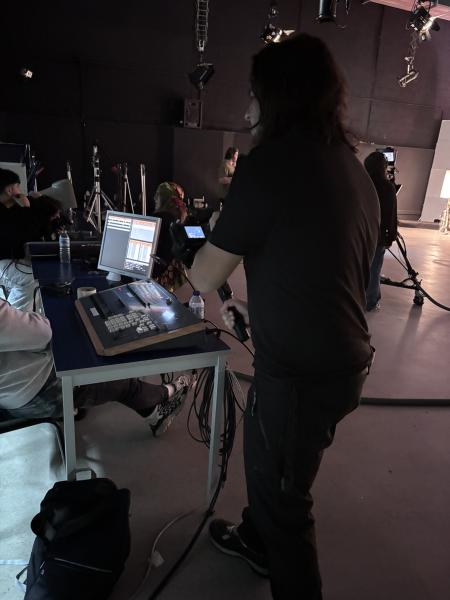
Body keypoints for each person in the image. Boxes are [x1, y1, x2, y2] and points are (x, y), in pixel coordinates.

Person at [188, 34, 380, 599]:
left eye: (254, 95)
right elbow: (323, 268)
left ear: (277, 97)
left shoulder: (269, 165)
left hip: (299, 375)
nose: (248, 108)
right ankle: (256, 538)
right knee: (280, 468)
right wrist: (261, 307)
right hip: (345, 363)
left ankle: (274, 545)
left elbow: (203, 277)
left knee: (284, 503)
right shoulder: (352, 168)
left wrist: (221, 234)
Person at [0, 298, 196, 437]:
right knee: (115, 374)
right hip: (37, 391)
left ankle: (150, 408)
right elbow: (43, 333)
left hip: (12, 395)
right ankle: (165, 397)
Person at [0, 168, 62, 311]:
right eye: (18, 186)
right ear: (10, 190)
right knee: (31, 280)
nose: (20, 190)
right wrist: (26, 208)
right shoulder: (7, 214)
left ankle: (35, 315)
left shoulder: (10, 209)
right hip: (3, 263)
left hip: (10, 259)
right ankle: (14, 317)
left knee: (43, 272)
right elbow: (25, 235)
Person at [363, 152, 398, 311]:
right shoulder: (387, 187)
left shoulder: (361, 183)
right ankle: (370, 301)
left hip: (359, 232)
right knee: (374, 269)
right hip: (377, 236)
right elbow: (391, 214)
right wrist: (391, 236)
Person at [152, 181, 188, 292]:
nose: (155, 198)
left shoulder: (156, 219)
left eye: (158, 195)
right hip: (169, 280)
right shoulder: (178, 221)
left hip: (155, 276)